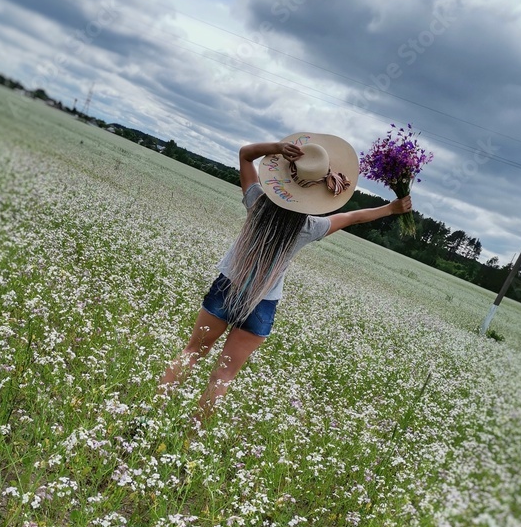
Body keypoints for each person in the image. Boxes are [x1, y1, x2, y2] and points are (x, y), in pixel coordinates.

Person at [158, 131, 412, 420]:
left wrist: (277, 148)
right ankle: (192, 435)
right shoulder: (309, 228)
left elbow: (245, 153)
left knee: (192, 353)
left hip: (228, 285)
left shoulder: (256, 201)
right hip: (264, 303)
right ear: (317, 194)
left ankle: (151, 412)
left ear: (287, 179)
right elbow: (353, 217)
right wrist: (391, 208)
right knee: (223, 376)